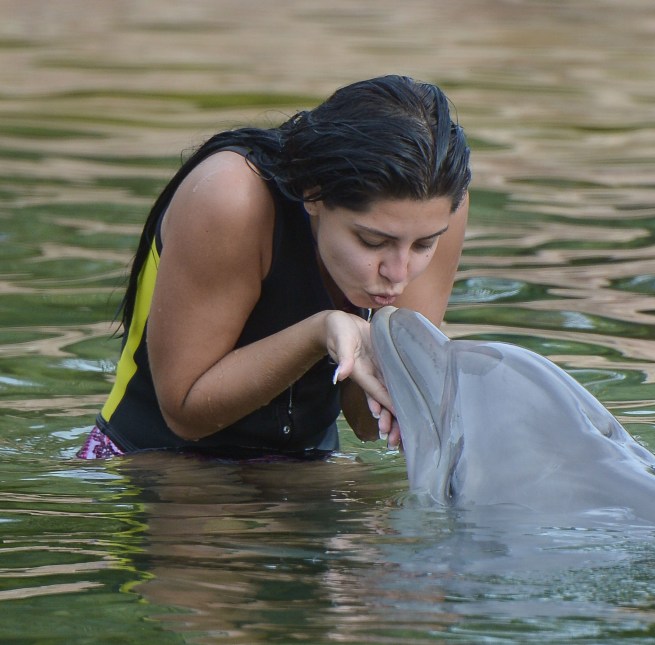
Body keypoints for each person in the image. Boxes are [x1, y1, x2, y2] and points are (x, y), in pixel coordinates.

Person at [77, 75, 471, 460]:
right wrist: (321, 332)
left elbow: (367, 427)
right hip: (151, 465)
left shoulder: (437, 203)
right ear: (312, 194)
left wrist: (383, 353)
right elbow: (184, 414)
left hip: (306, 473)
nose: (399, 273)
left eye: (424, 245)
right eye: (372, 241)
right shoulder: (231, 197)